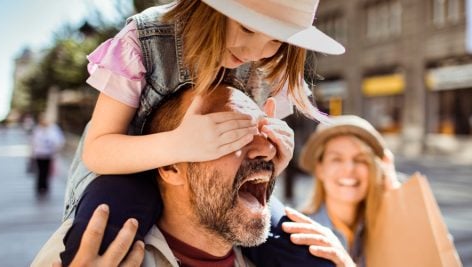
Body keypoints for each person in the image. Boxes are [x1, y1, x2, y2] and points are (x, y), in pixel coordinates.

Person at [58, 0, 345, 264]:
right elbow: (97, 150)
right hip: (124, 172)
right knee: (96, 240)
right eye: (246, 28)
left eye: (275, 39)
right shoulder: (145, 39)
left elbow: (245, 156)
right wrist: (179, 144)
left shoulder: (269, 65)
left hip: (212, 185)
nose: (255, 52)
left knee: (307, 251)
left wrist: (269, 156)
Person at [38, 84, 354, 266]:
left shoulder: (295, 259)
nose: (267, 150)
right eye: (230, 133)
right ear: (171, 165)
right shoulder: (87, 255)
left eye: (264, 132)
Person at [296, 115, 402, 265]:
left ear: (374, 170)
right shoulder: (299, 233)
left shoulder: (386, 229)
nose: (349, 169)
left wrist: (395, 195)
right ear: (320, 169)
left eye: (360, 159)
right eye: (336, 159)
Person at [31, 115, 65, 198]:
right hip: (39, 155)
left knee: (46, 172)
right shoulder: (37, 130)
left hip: (48, 154)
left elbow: (59, 140)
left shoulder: (52, 129)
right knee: (40, 171)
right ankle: (40, 187)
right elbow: (33, 142)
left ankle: (45, 187)